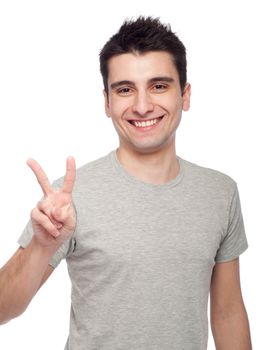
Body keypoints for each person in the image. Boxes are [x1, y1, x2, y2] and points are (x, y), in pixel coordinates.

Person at [0, 16, 252, 350]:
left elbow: (228, 312)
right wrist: (41, 246)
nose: (143, 105)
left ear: (185, 95)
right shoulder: (68, 199)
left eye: (159, 86)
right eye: (125, 89)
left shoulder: (220, 192)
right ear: (107, 102)